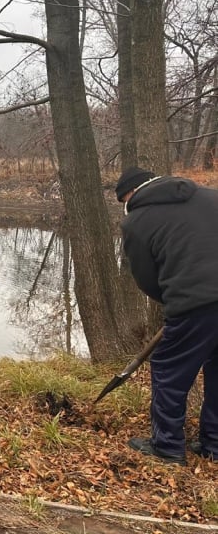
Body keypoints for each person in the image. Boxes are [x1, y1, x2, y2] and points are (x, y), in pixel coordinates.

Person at [116, 166, 218, 464]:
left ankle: (168, 447)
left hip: (194, 303)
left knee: (169, 369)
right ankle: (214, 444)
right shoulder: (210, 197)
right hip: (201, 299)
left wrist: (177, 303)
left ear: (132, 195)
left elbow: (147, 278)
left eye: (125, 200)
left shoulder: (136, 222)